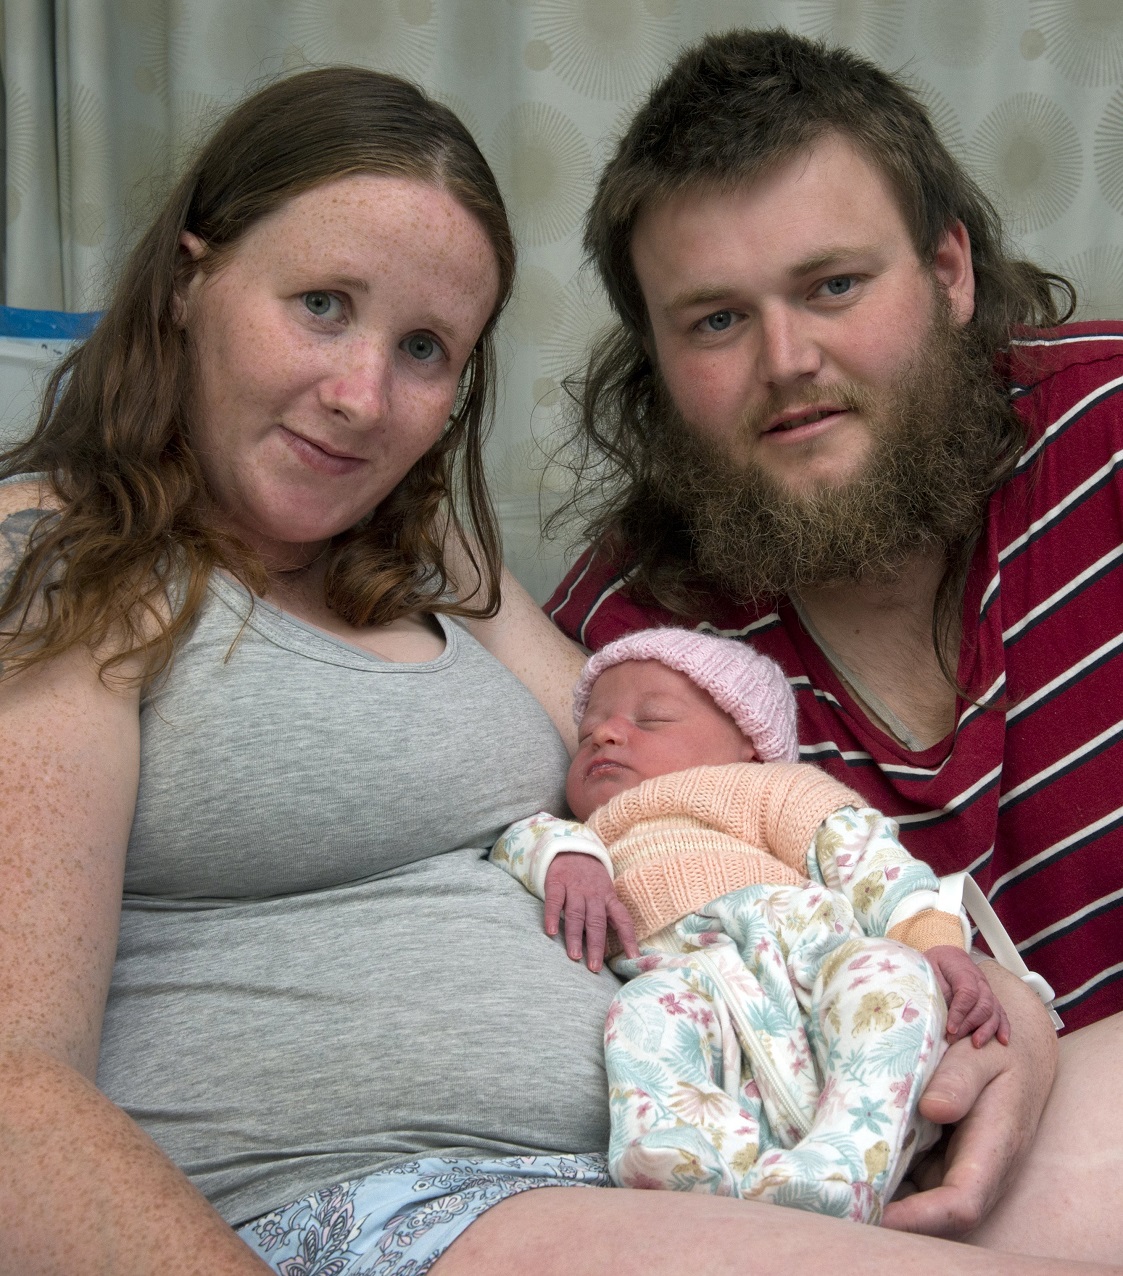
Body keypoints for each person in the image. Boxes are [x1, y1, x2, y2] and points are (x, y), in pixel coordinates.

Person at [0, 57, 1111, 1276]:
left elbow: (667, 798)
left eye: (425, 347)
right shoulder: (63, 562)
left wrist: (1010, 1017)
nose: (362, 396)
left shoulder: (433, 563)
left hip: (729, 1125)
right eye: (320, 303)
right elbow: (12, 1082)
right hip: (393, 1195)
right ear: (186, 282)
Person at [545, 27, 1123, 1257]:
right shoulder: (627, 644)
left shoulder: (1112, 436)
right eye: (713, 321)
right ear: (652, 361)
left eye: (834, 286)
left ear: (951, 270)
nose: (788, 362)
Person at [491, 626, 1006, 1224]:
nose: (605, 733)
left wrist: (934, 944)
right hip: (693, 988)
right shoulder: (590, 835)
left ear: (750, 744)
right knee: (644, 1015)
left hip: (811, 961)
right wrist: (568, 859)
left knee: (891, 975)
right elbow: (518, 836)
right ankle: (690, 1158)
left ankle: (845, 1168)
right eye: (587, 733)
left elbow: (871, 863)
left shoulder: (773, 789)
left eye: (652, 719)